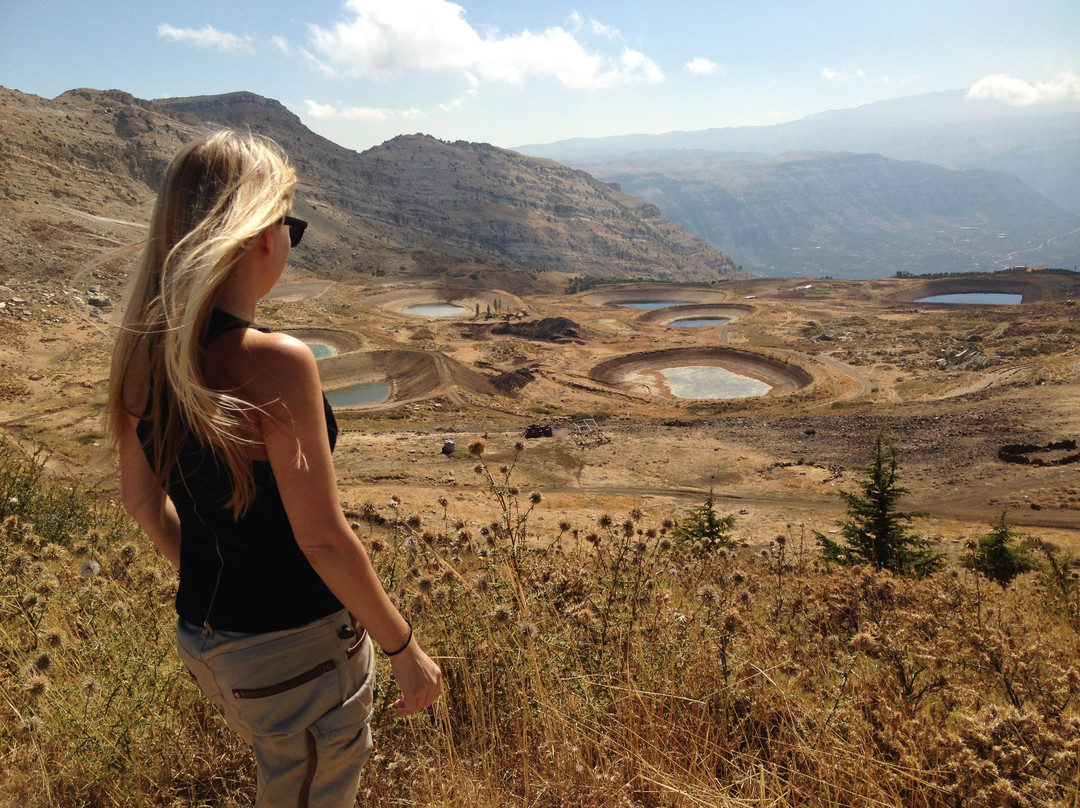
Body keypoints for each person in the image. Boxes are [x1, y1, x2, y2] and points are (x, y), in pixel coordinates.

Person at [106, 130, 441, 807]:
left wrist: (221, 592)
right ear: (261, 234)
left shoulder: (146, 354)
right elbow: (321, 540)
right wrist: (404, 648)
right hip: (299, 653)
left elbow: (142, 502)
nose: (291, 239)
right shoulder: (275, 362)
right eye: (291, 223)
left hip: (208, 640)